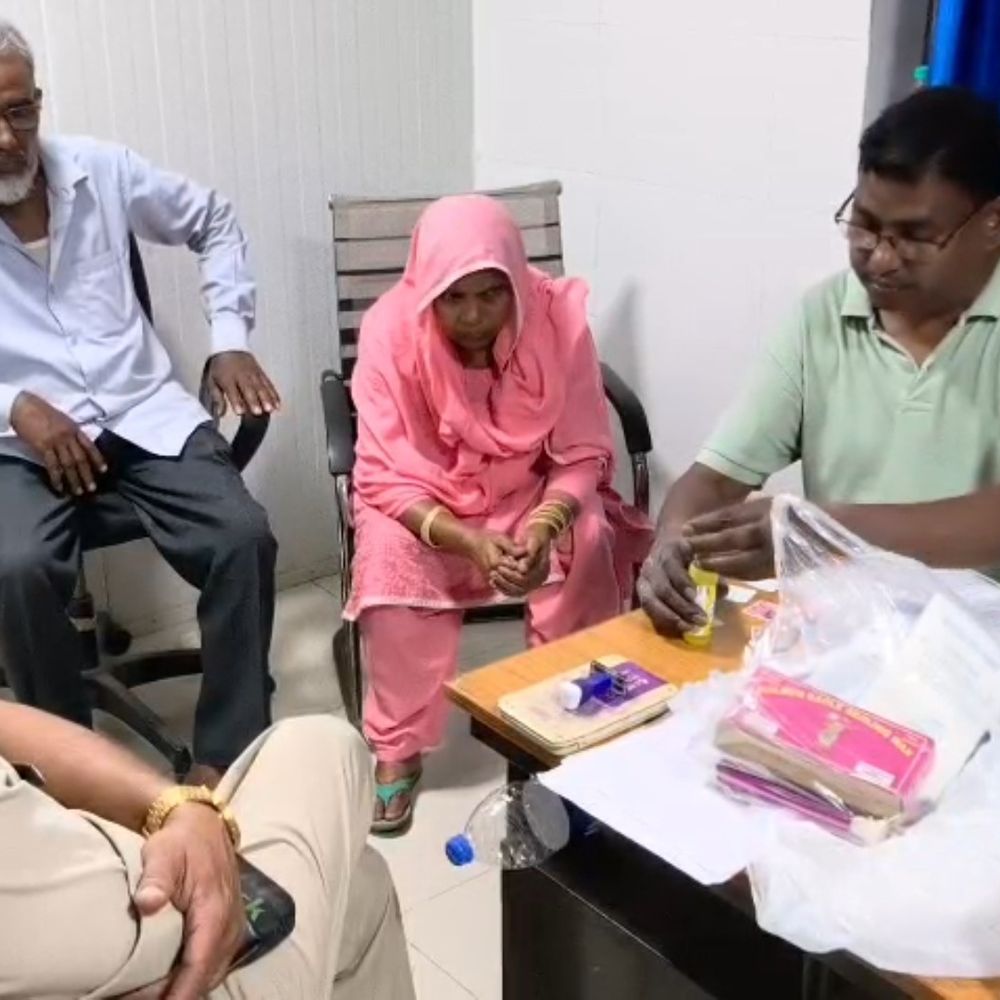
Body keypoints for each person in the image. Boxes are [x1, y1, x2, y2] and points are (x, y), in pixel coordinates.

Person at [0, 21, 279, 785]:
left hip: (140, 413)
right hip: (22, 447)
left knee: (242, 537)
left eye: (19, 111)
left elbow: (214, 220)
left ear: (38, 103)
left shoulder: (102, 171)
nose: (6, 137)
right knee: (16, 567)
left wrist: (229, 338)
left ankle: (226, 755)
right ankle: (67, 764)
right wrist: (15, 404)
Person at [639, 86, 1000, 636]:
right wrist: (674, 543)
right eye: (865, 225)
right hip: (844, 635)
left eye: (915, 237)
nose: (880, 258)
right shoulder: (821, 318)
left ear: (992, 223)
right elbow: (715, 479)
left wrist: (817, 531)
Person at [347, 195, 653, 832]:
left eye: (492, 295)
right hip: (424, 499)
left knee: (586, 533)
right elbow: (381, 473)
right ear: (429, 290)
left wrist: (543, 526)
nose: (473, 316)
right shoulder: (389, 330)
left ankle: (571, 716)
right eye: (453, 298)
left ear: (516, 281)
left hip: (527, 492)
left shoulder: (557, 321)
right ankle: (398, 746)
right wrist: (467, 540)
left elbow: (582, 452)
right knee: (388, 554)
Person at [0, 700, 415, 999]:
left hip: (148, 920)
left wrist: (175, 805)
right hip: (186, 972)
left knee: (362, 892)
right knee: (321, 745)